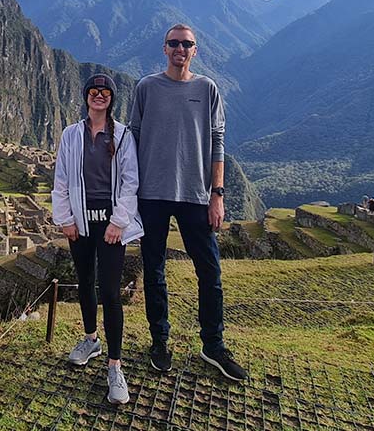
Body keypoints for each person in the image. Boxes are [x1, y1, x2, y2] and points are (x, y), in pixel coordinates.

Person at [128, 23, 248, 382]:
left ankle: (213, 344)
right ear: (164, 48)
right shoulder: (146, 87)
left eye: (187, 44)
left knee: (210, 273)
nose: (180, 49)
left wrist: (218, 194)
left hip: (196, 196)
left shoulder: (207, 88)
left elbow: (218, 141)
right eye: (174, 43)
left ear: (196, 50)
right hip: (151, 194)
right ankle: (160, 341)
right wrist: (129, 191)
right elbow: (133, 137)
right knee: (154, 271)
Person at [51, 73, 143, 405]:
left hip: (111, 221)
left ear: (111, 99)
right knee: (85, 281)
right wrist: (65, 219)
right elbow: (61, 179)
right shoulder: (71, 134)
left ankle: (115, 367)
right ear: (86, 96)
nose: (99, 96)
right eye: (94, 91)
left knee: (110, 291)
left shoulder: (122, 136)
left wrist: (119, 221)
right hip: (80, 218)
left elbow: (131, 181)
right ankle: (91, 339)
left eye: (105, 92)